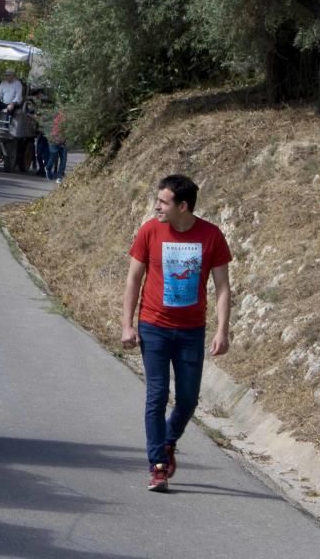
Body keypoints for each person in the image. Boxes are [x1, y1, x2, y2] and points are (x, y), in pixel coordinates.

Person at [121, 174, 232, 492]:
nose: (157, 206)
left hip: (191, 331)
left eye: (163, 202)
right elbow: (133, 279)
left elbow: (223, 287)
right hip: (153, 326)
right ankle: (157, 464)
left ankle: (167, 442)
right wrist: (127, 324)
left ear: (183, 206)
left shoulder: (211, 236)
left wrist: (222, 331)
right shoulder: (149, 231)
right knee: (156, 395)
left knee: (187, 400)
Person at [47, 110, 67, 183]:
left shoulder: (68, 119)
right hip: (54, 142)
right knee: (53, 158)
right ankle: (48, 169)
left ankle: (59, 176)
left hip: (63, 143)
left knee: (63, 160)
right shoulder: (54, 119)